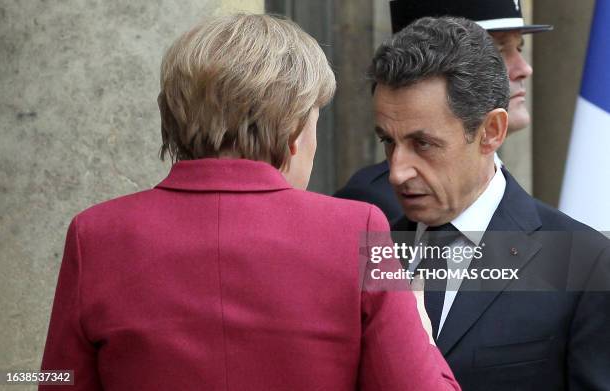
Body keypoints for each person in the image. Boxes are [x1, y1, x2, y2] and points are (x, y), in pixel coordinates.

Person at [39, 14, 461, 391]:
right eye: (314, 120)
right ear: (295, 131)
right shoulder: (357, 228)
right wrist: (418, 327)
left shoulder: (95, 234)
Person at [370, 16, 610, 390]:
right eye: (388, 141)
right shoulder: (374, 251)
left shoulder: (584, 263)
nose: (397, 172)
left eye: (423, 144)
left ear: (491, 132)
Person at [335, 0, 552, 223]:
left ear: (493, 131)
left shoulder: (558, 233)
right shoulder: (373, 207)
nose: (525, 68)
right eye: (496, 51)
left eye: (518, 47)